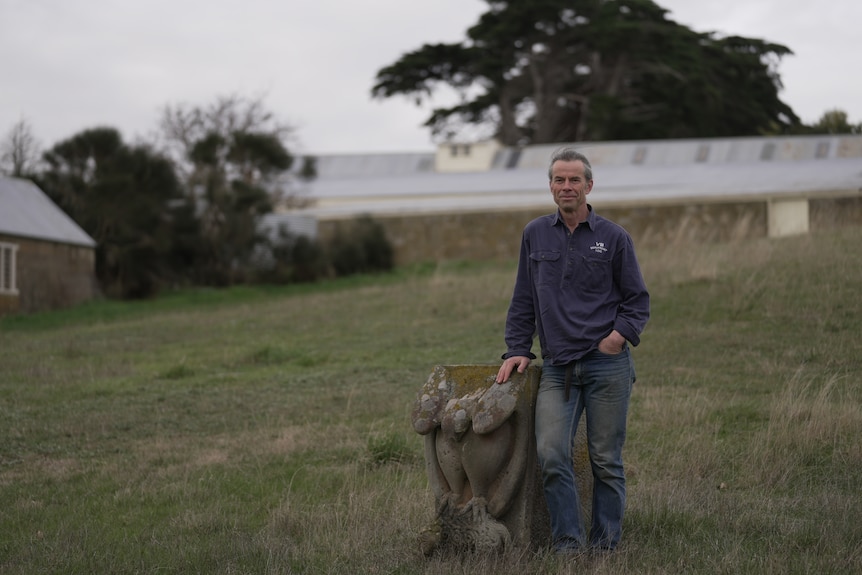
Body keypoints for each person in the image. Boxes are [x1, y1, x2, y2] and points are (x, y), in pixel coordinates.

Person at [495, 147, 649, 554]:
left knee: (605, 461)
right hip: (558, 367)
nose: (567, 186)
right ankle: (568, 543)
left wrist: (616, 338)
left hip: (606, 365)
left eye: (574, 180)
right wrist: (517, 348)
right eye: (559, 180)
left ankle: (605, 546)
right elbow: (524, 297)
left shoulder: (614, 238)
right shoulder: (535, 234)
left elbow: (637, 301)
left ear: (589, 186)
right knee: (550, 454)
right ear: (550, 186)